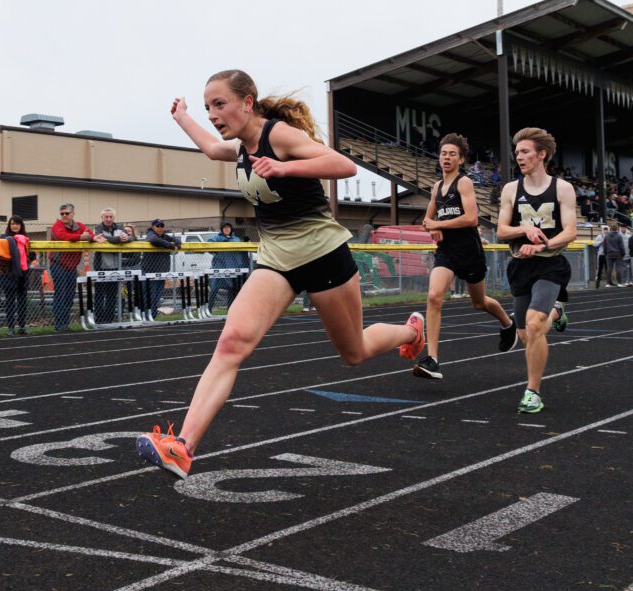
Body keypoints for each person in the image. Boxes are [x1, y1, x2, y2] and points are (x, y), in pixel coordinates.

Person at [136, 69, 425, 477]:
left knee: (354, 351)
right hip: (276, 259)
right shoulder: (238, 148)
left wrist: (284, 168)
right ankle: (182, 447)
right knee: (232, 342)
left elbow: (343, 167)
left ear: (247, 102)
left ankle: (413, 332)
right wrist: (183, 117)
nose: (214, 114)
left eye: (220, 104)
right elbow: (211, 149)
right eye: (208, 107)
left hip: (322, 252)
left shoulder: (280, 135)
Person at [413, 133, 516, 380]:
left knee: (479, 302)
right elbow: (427, 221)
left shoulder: (464, 183)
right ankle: (433, 360)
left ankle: (507, 323)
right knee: (434, 296)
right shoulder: (437, 188)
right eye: (443, 153)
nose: (446, 158)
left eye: (452, 154)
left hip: (469, 252)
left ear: (460, 159)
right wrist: (433, 228)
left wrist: (440, 225)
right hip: (447, 253)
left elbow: (471, 218)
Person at [496, 127, 577, 414]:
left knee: (533, 323)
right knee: (526, 334)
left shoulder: (562, 188)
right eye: (517, 152)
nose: (519, 157)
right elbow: (502, 231)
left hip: (550, 264)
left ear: (542, 154)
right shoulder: (510, 190)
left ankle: (533, 392)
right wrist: (524, 230)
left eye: (525, 151)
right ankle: (557, 309)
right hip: (520, 266)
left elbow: (570, 232)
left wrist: (542, 245)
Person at [50, 203, 100, 331]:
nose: (64, 216)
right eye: (62, 214)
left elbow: (89, 234)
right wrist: (80, 237)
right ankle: (59, 324)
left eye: (67, 213)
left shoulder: (79, 225)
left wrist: (93, 237)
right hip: (58, 264)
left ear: (73, 214)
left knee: (70, 295)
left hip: (72, 267)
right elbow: (62, 236)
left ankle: (65, 324)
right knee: (60, 295)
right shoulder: (57, 225)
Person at [0, 216, 36, 335]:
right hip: (9, 274)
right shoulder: (4, 238)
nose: (15, 226)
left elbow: (32, 255)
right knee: (10, 301)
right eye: (12, 224)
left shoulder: (26, 239)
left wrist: (28, 255)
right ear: (9, 225)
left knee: (22, 301)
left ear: (21, 225)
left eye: (17, 224)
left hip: (23, 273)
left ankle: (22, 327)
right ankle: (10, 328)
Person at [93, 208, 132, 323]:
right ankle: (99, 319)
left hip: (116, 266)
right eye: (106, 217)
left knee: (112, 294)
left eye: (111, 217)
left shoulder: (119, 228)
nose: (109, 219)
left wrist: (126, 238)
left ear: (114, 218)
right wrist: (118, 239)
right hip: (101, 265)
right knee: (100, 294)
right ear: (102, 218)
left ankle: (109, 319)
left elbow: (131, 237)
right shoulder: (98, 228)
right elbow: (102, 238)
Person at [140, 219, 180, 318]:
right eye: (157, 226)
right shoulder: (150, 234)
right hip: (150, 271)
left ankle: (152, 316)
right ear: (153, 227)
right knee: (151, 295)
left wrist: (177, 245)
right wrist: (170, 245)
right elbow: (154, 240)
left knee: (157, 295)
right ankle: (146, 316)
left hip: (162, 271)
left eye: (162, 226)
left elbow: (177, 240)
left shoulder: (164, 236)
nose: (160, 228)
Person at [207, 221, 242, 312]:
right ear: (222, 230)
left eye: (228, 227)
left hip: (232, 267)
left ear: (231, 229)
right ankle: (208, 309)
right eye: (224, 228)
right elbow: (209, 243)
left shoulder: (236, 239)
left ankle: (230, 309)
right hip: (219, 267)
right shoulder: (217, 237)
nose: (226, 229)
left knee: (231, 288)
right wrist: (222, 242)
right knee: (214, 288)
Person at [603, 221, 626, 288]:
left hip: (609, 253)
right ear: (617, 228)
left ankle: (608, 283)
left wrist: (605, 253)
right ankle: (619, 282)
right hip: (618, 253)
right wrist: (623, 254)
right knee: (618, 268)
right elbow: (622, 246)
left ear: (610, 228)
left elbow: (605, 246)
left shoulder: (606, 236)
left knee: (609, 269)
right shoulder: (619, 236)